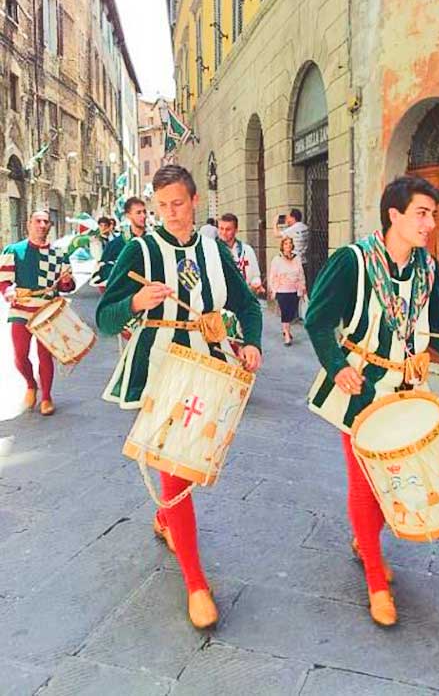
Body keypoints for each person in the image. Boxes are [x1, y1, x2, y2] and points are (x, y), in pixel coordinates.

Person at [96, 165, 263, 629]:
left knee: (188, 467)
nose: (170, 213)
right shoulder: (140, 250)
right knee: (175, 473)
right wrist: (135, 302)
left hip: (207, 369)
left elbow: (247, 304)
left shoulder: (214, 249)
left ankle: (167, 520)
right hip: (160, 370)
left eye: (178, 204)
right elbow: (105, 319)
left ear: (194, 202)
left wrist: (251, 341)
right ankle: (195, 583)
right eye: (161, 206)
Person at [305, 176, 439, 627]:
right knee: (366, 483)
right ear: (394, 215)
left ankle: (366, 541)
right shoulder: (352, 261)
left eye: (433, 214)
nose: (431, 223)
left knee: (394, 480)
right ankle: (376, 581)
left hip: (410, 389)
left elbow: (435, 326)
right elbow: (318, 320)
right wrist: (337, 364)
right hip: (361, 387)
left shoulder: (429, 267)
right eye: (422, 213)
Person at [0, 210, 75, 415]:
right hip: (21, 309)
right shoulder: (13, 250)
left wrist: (67, 282)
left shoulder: (59, 254)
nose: (42, 225)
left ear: (50, 226)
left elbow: (68, 286)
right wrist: (8, 291)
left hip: (47, 310)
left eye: (46, 222)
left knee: (45, 356)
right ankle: (31, 384)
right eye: (38, 221)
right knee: (20, 355)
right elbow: (4, 280)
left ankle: (46, 397)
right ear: (28, 224)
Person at [92, 198, 147, 287]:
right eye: (138, 212)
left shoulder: (152, 241)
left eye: (144, 212)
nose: (143, 216)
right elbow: (103, 272)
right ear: (128, 215)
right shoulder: (115, 244)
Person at [269, 237, 306, 345]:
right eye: (286, 244)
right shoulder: (277, 259)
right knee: (285, 312)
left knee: (291, 313)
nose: (288, 246)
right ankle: (287, 334)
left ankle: (286, 330)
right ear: (282, 245)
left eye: (290, 243)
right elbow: (273, 275)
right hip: (282, 289)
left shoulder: (296, 258)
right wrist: (273, 289)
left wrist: (303, 287)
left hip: (294, 289)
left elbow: (301, 274)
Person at [218, 213, 263, 292]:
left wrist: (256, 284)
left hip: (245, 297)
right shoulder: (214, 251)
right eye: (221, 228)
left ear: (236, 230)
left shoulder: (247, 250)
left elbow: (255, 276)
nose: (224, 232)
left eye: (228, 229)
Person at [274, 208, 309, 280]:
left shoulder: (293, 229)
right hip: (303, 260)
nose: (287, 219)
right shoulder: (305, 227)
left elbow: (276, 234)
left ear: (293, 218)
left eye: (288, 217)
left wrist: (275, 223)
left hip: (294, 261)